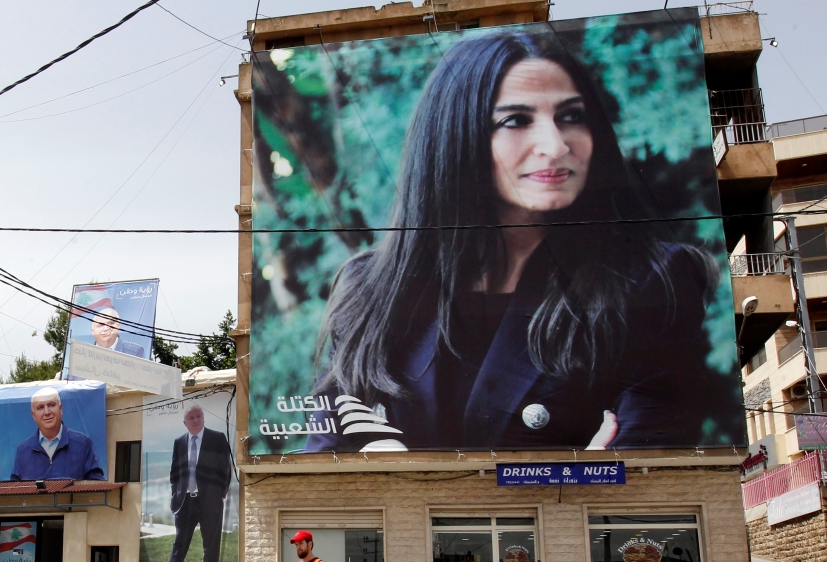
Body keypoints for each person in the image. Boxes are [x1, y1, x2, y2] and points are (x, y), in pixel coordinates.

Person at [304, 29, 739, 453]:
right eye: (515, 120)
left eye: (571, 116)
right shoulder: (370, 290)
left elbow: (646, 477)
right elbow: (320, 477)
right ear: (456, 139)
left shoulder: (653, 281)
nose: (555, 145)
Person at [169, 404, 232, 562]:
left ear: (203, 419)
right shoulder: (179, 442)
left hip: (210, 502)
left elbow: (226, 468)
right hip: (185, 503)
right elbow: (174, 472)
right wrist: (175, 494)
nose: (195, 420)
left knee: (211, 547)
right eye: (191, 418)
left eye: (198, 416)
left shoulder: (217, 438)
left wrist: (221, 494)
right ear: (185, 422)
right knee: (179, 546)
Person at [10, 387, 105, 480]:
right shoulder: (23, 451)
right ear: (34, 415)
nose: (47, 412)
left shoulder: (83, 444)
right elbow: (14, 492)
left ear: (61, 409)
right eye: (40, 407)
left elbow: (96, 489)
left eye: (51, 405)